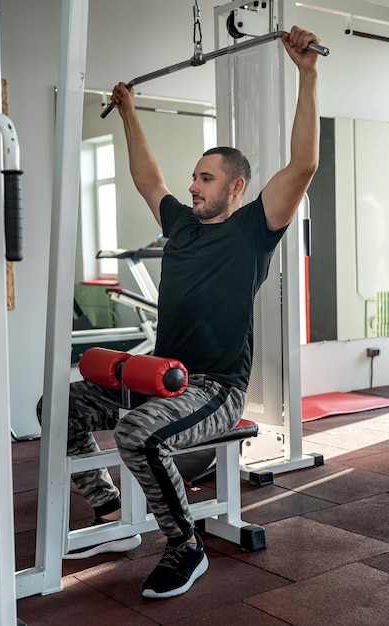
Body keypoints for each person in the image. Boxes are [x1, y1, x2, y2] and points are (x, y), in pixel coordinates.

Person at [37, 25, 320, 599]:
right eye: (193, 177)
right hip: (162, 378)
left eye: (205, 178)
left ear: (236, 187)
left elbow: (304, 164)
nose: (192, 186)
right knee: (58, 405)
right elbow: (149, 179)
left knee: (138, 433)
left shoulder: (254, 230)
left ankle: (185, 546)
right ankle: (109, 510)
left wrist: (307, 75)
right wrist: (129, 112)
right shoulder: (182, 226)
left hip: (214, 388)